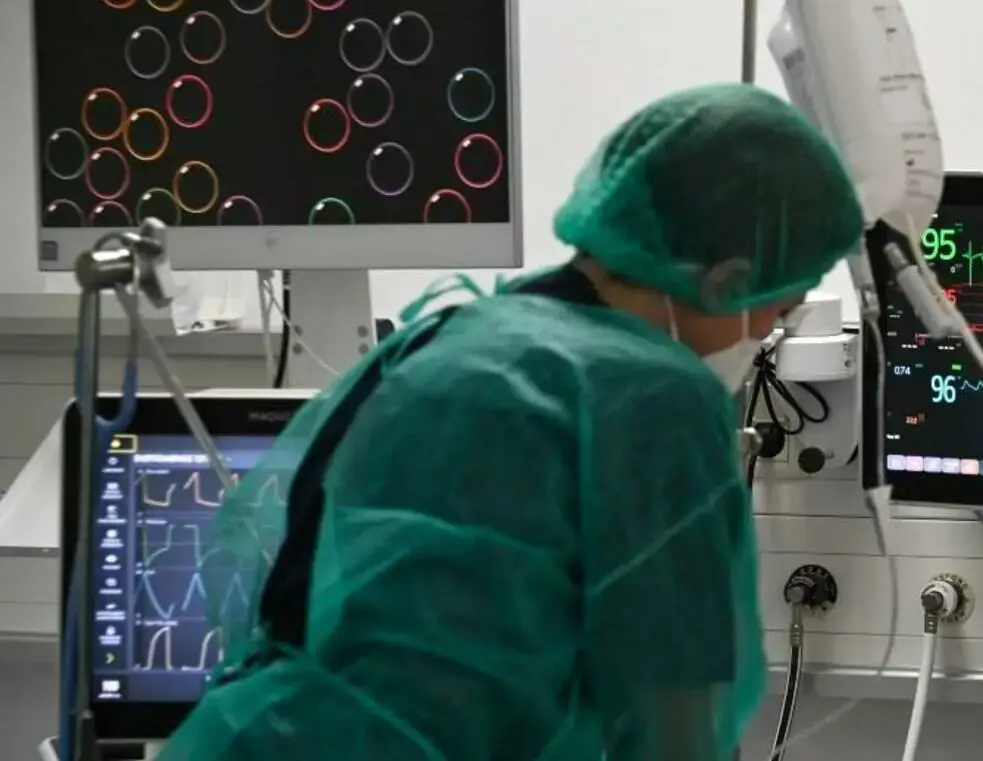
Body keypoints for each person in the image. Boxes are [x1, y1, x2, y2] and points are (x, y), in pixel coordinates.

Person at [158, 82, 864, 761]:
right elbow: (677, 712)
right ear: (728, 280)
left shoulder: (457, 333)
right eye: (781, 306)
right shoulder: (653, 398)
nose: (767, 331)